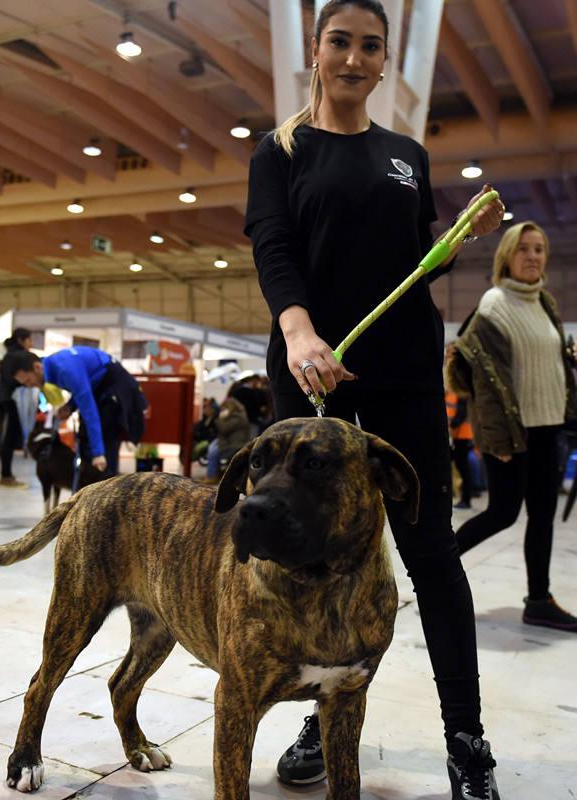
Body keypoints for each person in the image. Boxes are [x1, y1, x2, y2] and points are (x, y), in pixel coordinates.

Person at [243, 1, 505, 797]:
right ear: (315, 55)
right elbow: (274, 246)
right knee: (313, 560)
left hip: (400, 375)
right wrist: (296, 333)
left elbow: (408, 267)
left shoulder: (406, 156)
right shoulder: (280, 152)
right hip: (311, 369)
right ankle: (320, 714)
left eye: (369, 46)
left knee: (428, 556)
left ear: (385, 61)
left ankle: (466, 741)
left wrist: (456, 244)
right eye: (339, 43)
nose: (353, 58)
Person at [449, 221, 577, 632]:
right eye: (524, 248)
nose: (533, 256)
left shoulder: (546, 303)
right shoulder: (493, 304)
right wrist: (499, 439)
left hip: (547, 427)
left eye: (539, 249)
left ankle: (538, 600)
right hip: (511, 432)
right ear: (507, 254)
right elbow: (484, 383)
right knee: (502, 513)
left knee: (541, 515)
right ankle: (434, 566)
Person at [8, 346, 147, 477]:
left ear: (37, 367)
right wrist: (70, 406)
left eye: (28, 380)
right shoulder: (53, 368)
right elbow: (85, 386)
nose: (29, 385)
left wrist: (98, 453)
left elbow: (89, 411)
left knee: (102, 447)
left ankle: (107, 491)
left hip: (116, 387)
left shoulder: (65, 369)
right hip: (100, 387)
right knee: (85, 442)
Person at [0, 328, 32, 487]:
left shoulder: (10, 354)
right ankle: (6, 475)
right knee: (9, 438)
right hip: (12, 400)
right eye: (29, 340)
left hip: (9, 399)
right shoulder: (16, 355)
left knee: (10, 438)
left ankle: (7, 474)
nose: (30, 343)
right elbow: (10, 378)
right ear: (21, 339)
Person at [445, 348, 475, 510]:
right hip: (455, 433)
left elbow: (461, 410)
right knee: (453, 466)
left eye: (451, 353)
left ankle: (466, 498)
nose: (448, 355)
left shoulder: (459, 379)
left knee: (463, 467)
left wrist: (452, 426)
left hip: (461, 433)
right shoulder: (451, 380)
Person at [201, 394, 250, 484]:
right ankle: (213, 473)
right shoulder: (235, 416)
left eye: (225, 408)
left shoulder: (238, 417)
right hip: (229, 442)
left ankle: (213, 476)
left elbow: (224, 429)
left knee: (213, 451)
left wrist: (218, 418)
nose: (222, 410)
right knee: (212, 448)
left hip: (235, 445)